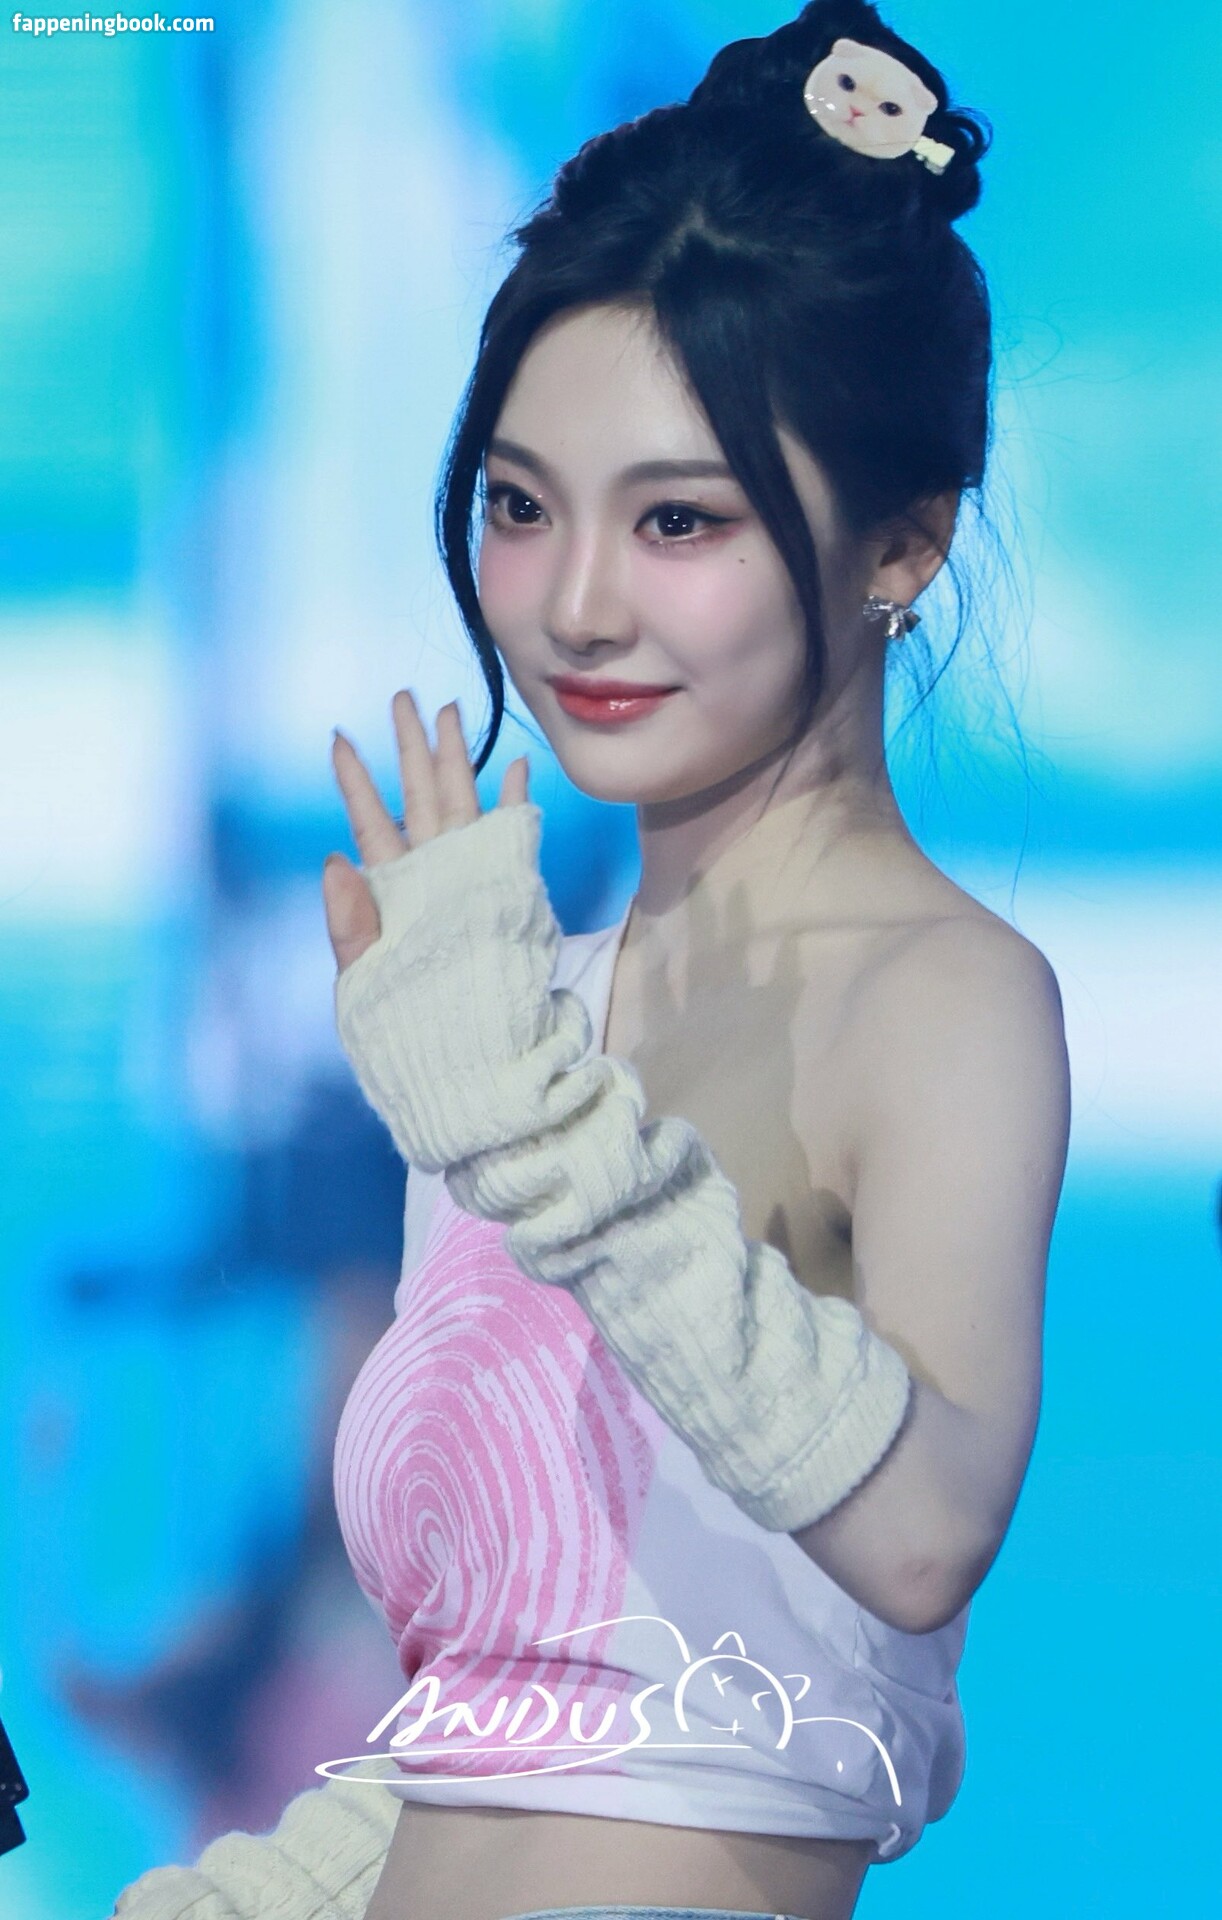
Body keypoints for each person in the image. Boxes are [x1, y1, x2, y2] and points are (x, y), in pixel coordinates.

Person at [110, 3, 1070, 1917]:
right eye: (520, 505)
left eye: (678, 520)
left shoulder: (940, 998)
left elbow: (922, 1538)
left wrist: (522, 1115)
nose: (572, 606)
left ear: (901, 544)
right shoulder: (517, 1008)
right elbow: (507, 1719)